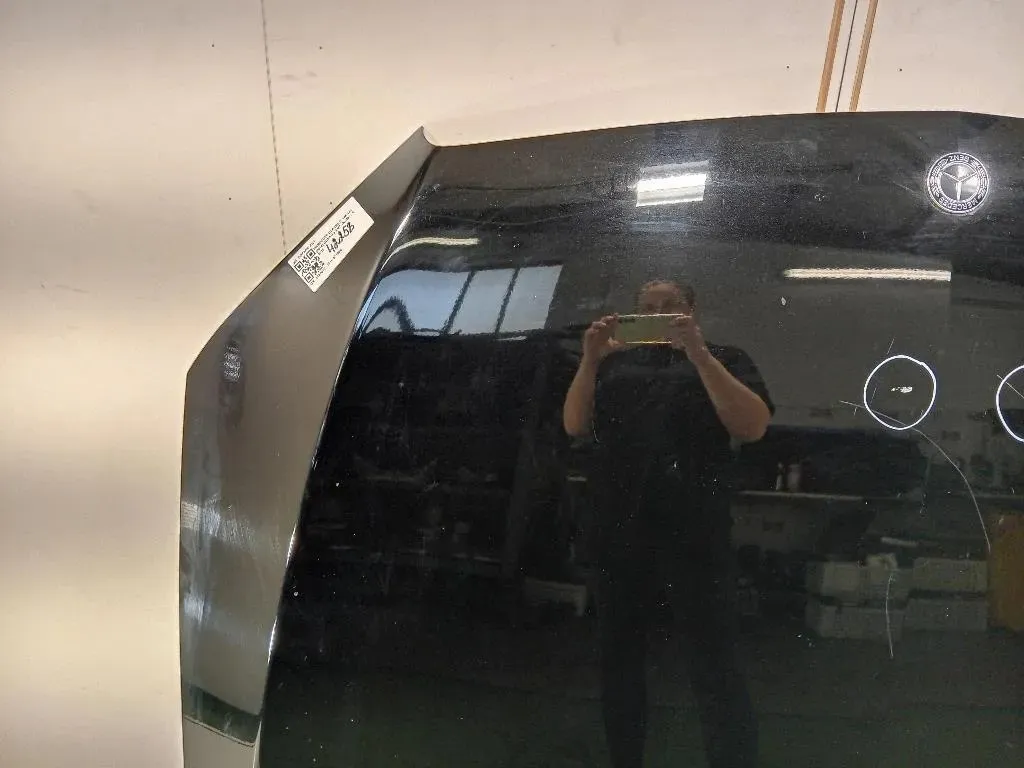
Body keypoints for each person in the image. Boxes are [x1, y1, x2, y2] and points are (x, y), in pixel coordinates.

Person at [562, 279, 773, 768]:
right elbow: (574, 424)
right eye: (648, 307)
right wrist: (590, 360)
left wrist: (699, 355)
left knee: (713, 659)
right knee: (619, 660)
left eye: (669, 305)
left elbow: (753, 426)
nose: (658, 312)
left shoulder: (724, 358)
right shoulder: (614, 364)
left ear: (692, 311)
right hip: (619, 530)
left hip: (695, 532)